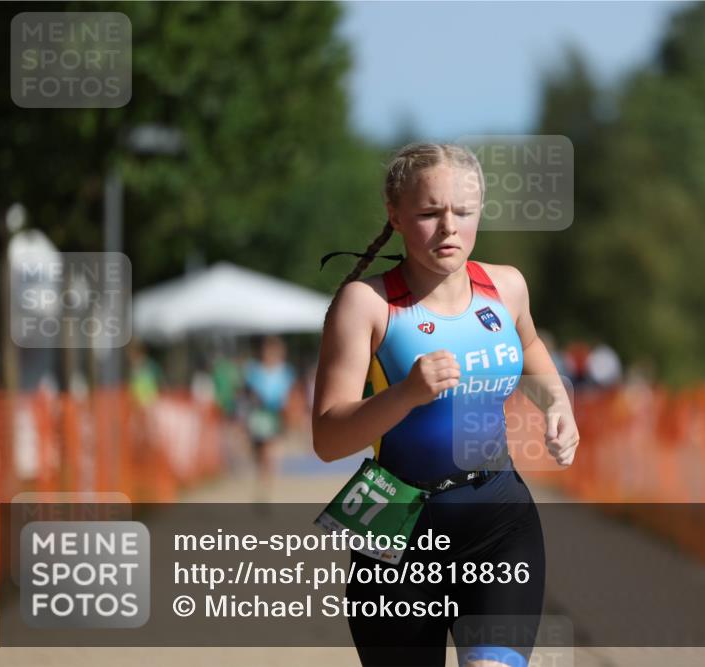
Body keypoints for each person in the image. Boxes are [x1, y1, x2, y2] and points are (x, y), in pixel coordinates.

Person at [312, 142, 579, 667]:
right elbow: (327, 438)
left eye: (463, 212)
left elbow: (528, 349)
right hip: (396, 527)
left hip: (499, 520)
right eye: (429, 213)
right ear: (395, 215)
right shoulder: (366, 304)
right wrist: (405, 394)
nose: (449, 227)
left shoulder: (506, 287)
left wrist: (558, 404)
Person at [241, 335, 295, 503]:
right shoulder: (254, 370)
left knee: (270, 452)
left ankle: (266, 487)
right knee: (260, 453)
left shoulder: (285, 371)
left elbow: (289, 395)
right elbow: (247, 392)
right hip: (258, 416)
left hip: (275, 415)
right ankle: (263, 478)